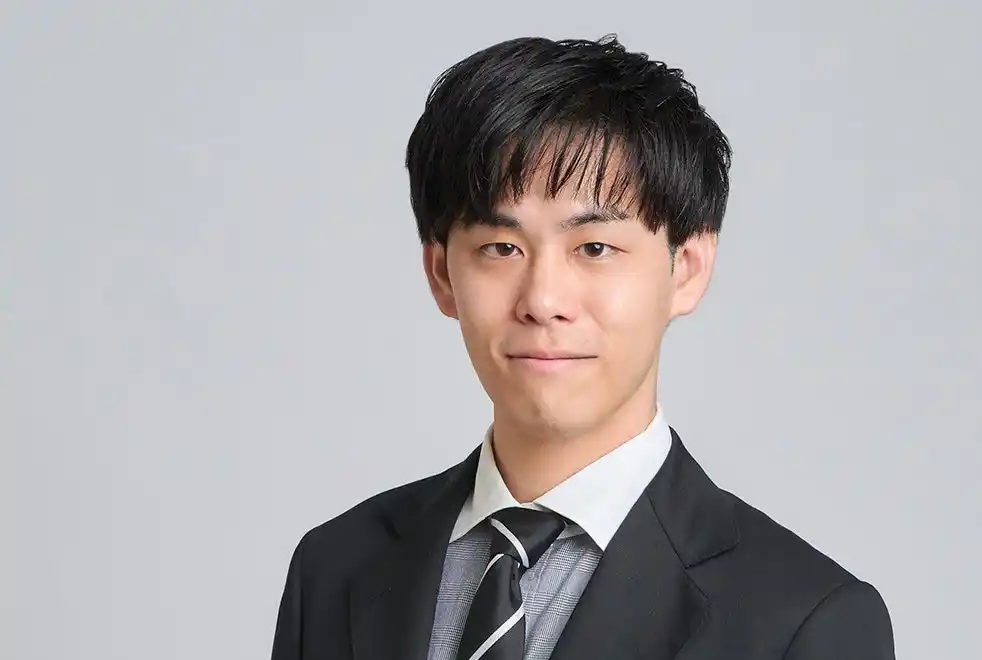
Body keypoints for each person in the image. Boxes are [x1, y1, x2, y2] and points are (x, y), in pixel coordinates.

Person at [269, 35, 896, 660]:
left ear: (687, 270)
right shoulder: (335, 568)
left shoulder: (804, 620)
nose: (543, 300)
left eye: (595, 248)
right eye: (500, 248)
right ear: (441, 274)